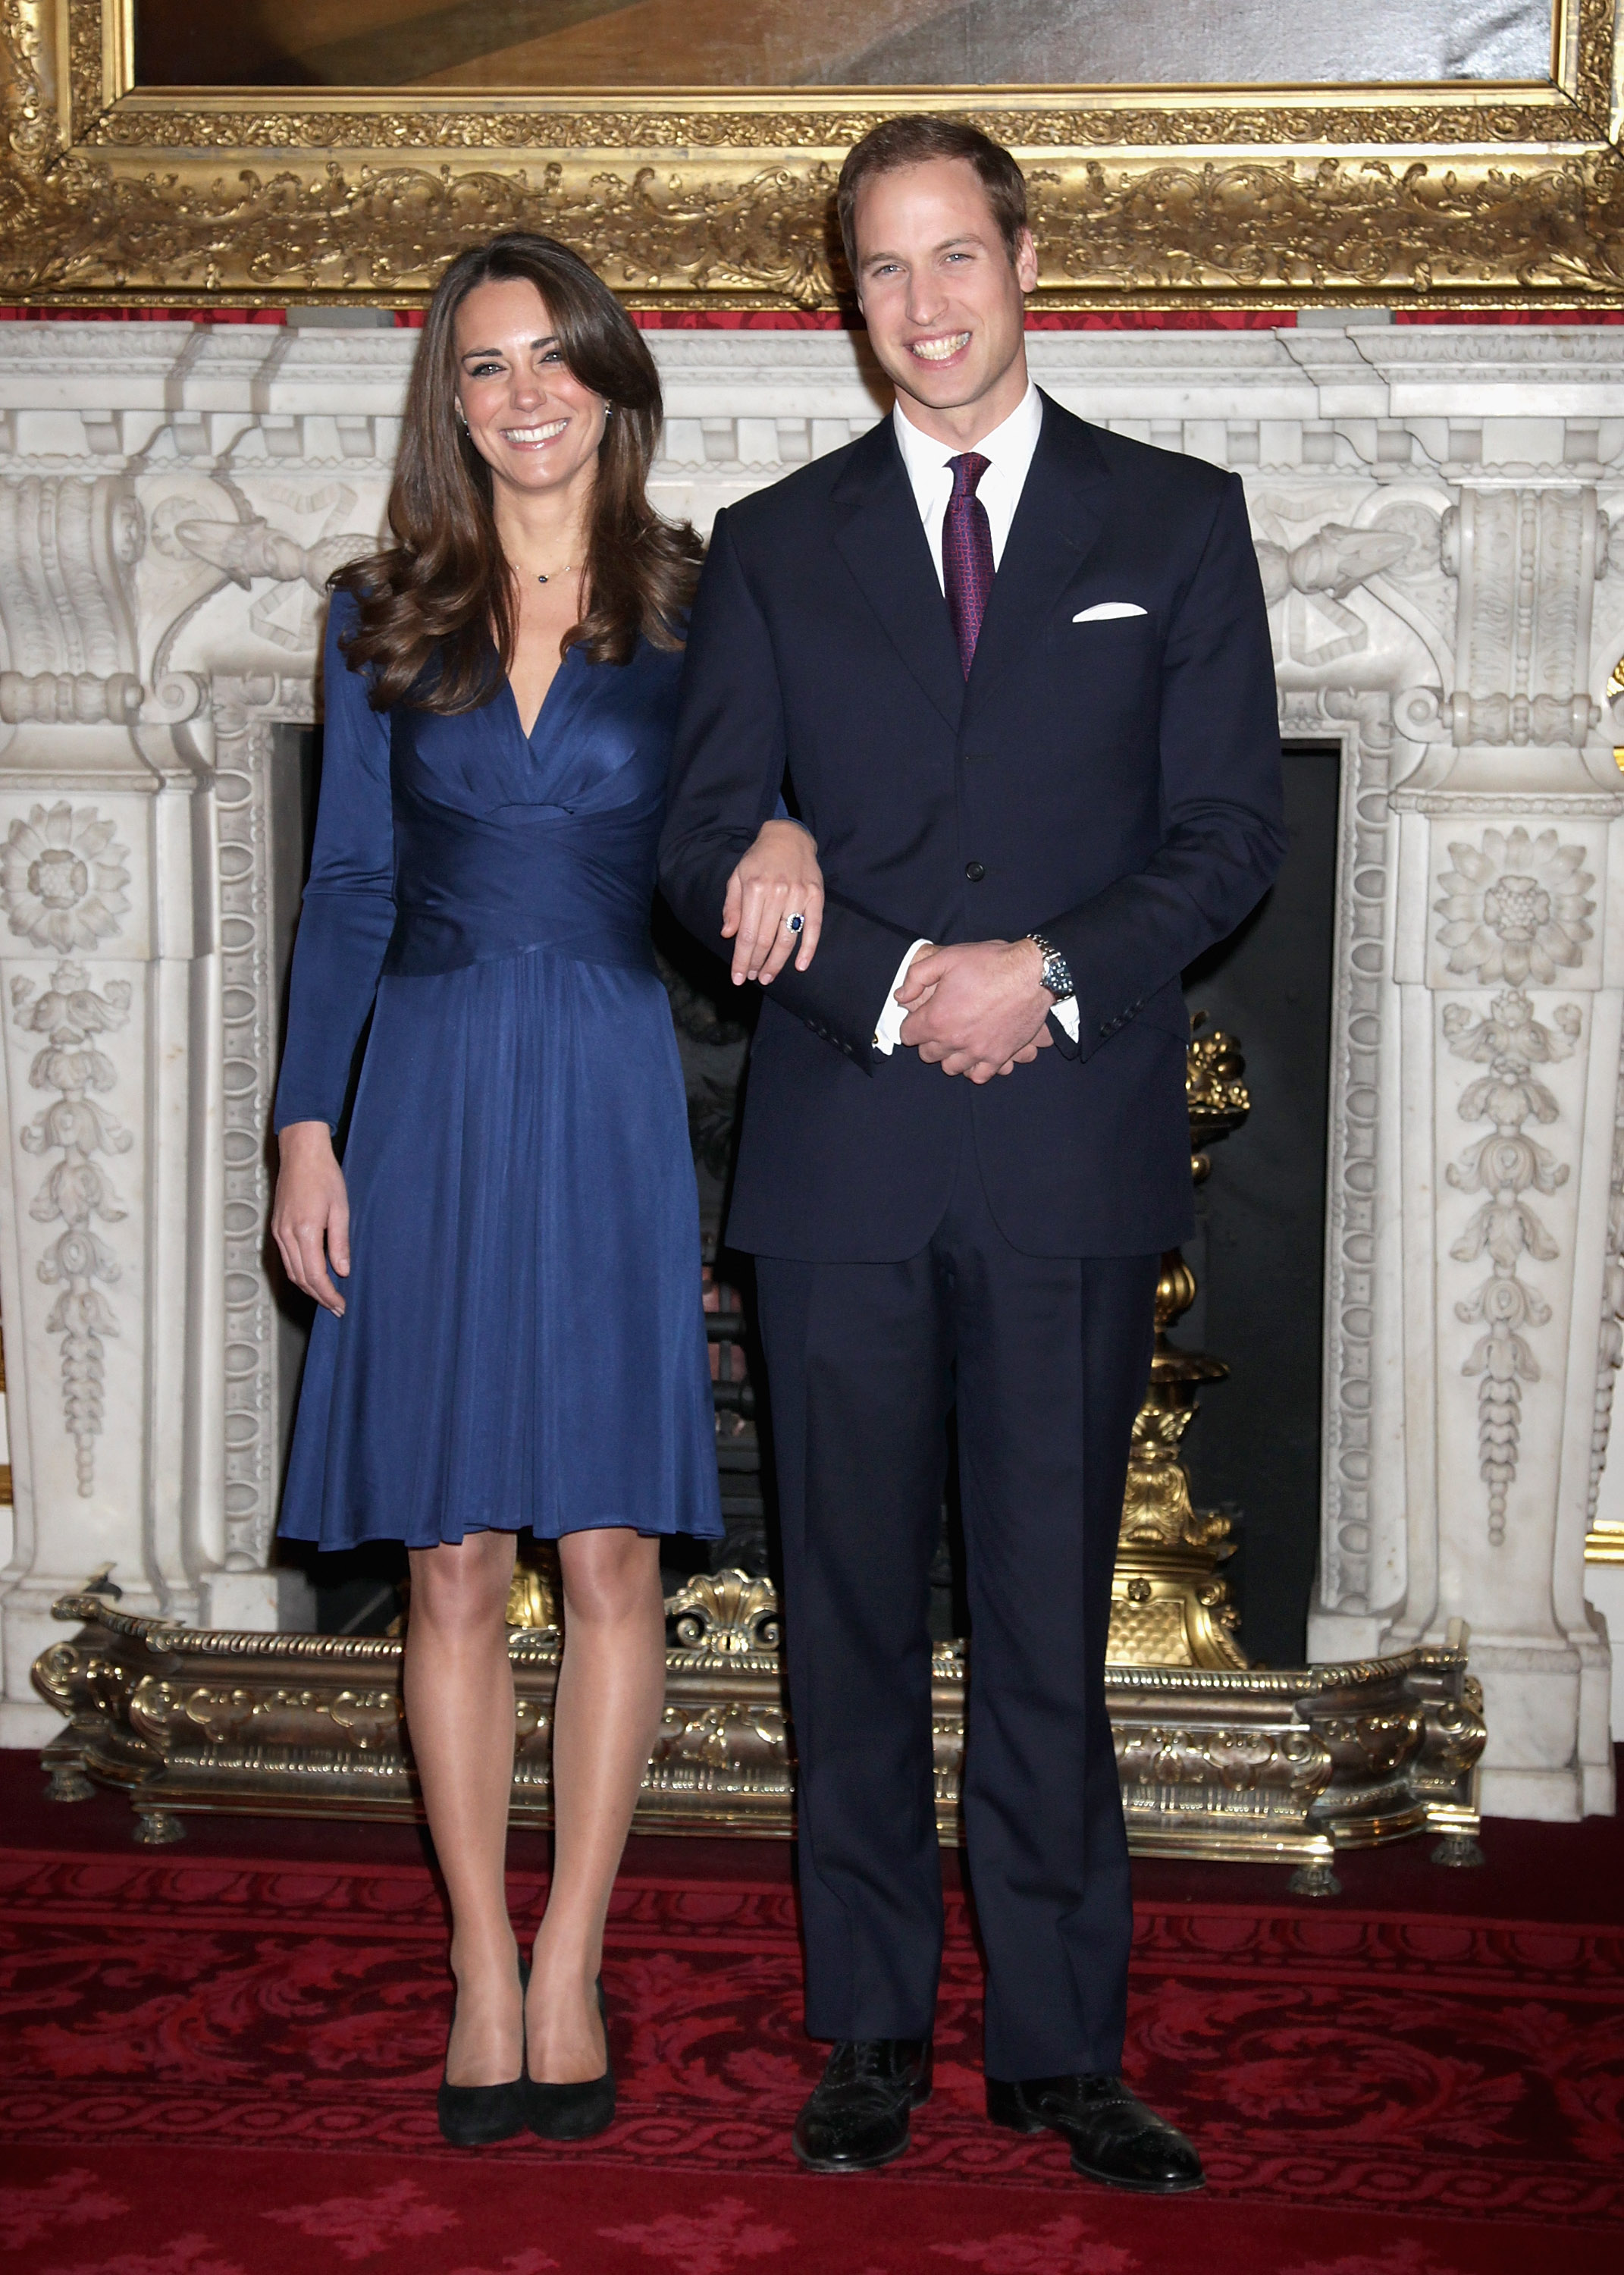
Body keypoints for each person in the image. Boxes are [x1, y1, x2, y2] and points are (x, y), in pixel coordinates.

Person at [659, 118, 1285, 2190]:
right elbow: (703, 837)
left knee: (1041, 1619)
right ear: (846, 300)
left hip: (1067, 1153)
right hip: (839, 1157)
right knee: (842, 1618)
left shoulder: (1174, 521)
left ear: (1023, 262)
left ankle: (1057, 2048)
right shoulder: (770, 544)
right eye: (880, 268)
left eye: (952, 257)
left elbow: (1228, 836)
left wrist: (1051, 976)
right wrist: (886, 970)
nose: (921, 305)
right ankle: (866, 2033)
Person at [269, 232, 823, 2149]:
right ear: (453, 397)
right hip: (421, 1087)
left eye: (555, 358)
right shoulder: (377, 615)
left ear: (611, 380)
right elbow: (349, 885)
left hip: (600, 1080)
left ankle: (572, 1952)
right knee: (447, 1555)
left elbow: (757, 803)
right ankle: (477, 1964)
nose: (526, 397)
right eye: (488, 366)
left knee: (605, 1554)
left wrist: (787, 824)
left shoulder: (703, 604)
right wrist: (306, 1127)